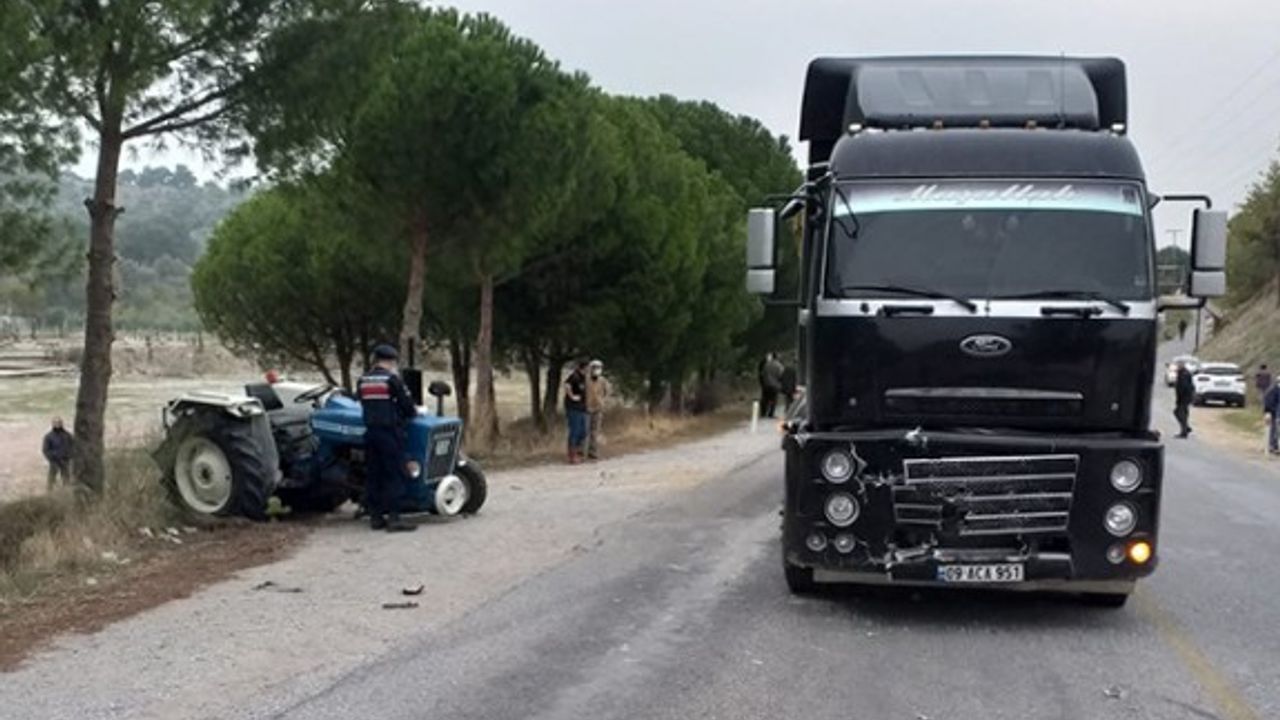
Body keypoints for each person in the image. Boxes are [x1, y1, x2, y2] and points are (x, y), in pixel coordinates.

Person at [356, 344, 418, 532]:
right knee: (394, 473)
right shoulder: (392, 380)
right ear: (391, 362)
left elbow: (361, 401)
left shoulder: (363, 380)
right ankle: (394, 518)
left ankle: (375, 517)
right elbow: (407, 406)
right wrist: (410, 413)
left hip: (370, 432)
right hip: (389, 432)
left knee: (374, 474)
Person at [564, 359, 589, 464]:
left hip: (582, 408)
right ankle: (572, 455)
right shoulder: (575, 376)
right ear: (583, 367)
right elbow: (567, 385)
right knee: (575, 431)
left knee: (583, 431)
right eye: (587, 367)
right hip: (573, 408)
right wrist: (572, 396)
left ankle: (578, 452)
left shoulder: (584, 378)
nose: (588, 370)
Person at [585, 359, 611, 460]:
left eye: (599, 367)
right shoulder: (586, 379)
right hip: (587, 408)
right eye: (595, 367)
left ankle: (593, 452)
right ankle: (581, 451)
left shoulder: (603, 380)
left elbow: (608, 391)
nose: (597, 369)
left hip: (598, 408)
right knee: (585, 430)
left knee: (595, 431)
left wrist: (603, 401)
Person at [42, 417, 74, 491]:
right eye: (55, 423)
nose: (57, 424)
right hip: (54, 460)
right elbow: (45, 449)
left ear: (62, 424)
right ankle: (49, 490)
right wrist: (51, 457)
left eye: (59, 423)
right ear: (52, 424)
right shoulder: (49, 436)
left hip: (65, 460)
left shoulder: (68, 435)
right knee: (51, 477)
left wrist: (69, 456)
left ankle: (66, 491)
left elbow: (73, 446)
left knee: (66, 476)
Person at [1173, 360, 1195, 438]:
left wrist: (1180, 397)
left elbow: (1183, 386)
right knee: (1182, 413)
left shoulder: (1184, 374)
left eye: (1179, 365)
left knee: (1179, 413)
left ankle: (1184, 431)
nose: (1177, 367)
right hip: (1186, 397)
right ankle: (1186, 428)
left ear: (1182, 365)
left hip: (1184, 397)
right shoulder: (1183, 373)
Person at [759, 353, 784, 418]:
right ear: (777, 357)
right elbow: (781, 375)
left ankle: (763, 413)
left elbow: (762, 374)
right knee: (773, 399)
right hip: (775, 385)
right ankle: (771, 414)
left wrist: (764, 382)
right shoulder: (779, 366)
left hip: (766, 385)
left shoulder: (766, 365)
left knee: (765, 399)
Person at [1264, 377, 1280, 455]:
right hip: (1274, 413)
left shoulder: (1273, 390)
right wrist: (1268, 412)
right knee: (1274, 430)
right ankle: (1273, 446)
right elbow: (1269, 402)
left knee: (1275, 430)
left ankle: (1274, 446)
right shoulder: (1274, 390)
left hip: (1275, 412)